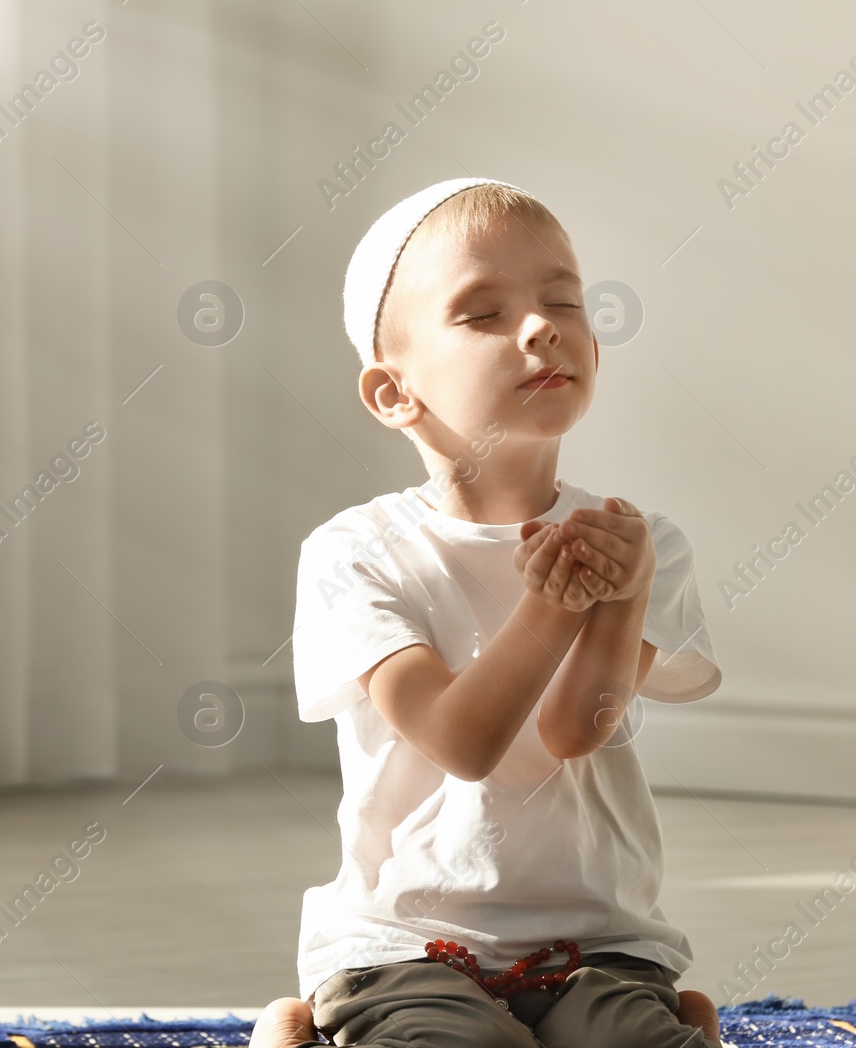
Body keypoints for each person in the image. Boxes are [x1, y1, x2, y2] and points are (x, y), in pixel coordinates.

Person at [252, 177, 726, 1048]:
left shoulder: (641, 540)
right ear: (396, 393)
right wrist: (550, 611)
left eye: (563, 301)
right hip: (404, 944)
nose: (542, 327)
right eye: (483, 315)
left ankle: (673, 1022)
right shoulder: (355, 553)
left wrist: (621, 598)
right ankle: (299, 1031)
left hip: (598, 941)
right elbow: (465, 743)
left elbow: (574, 731)